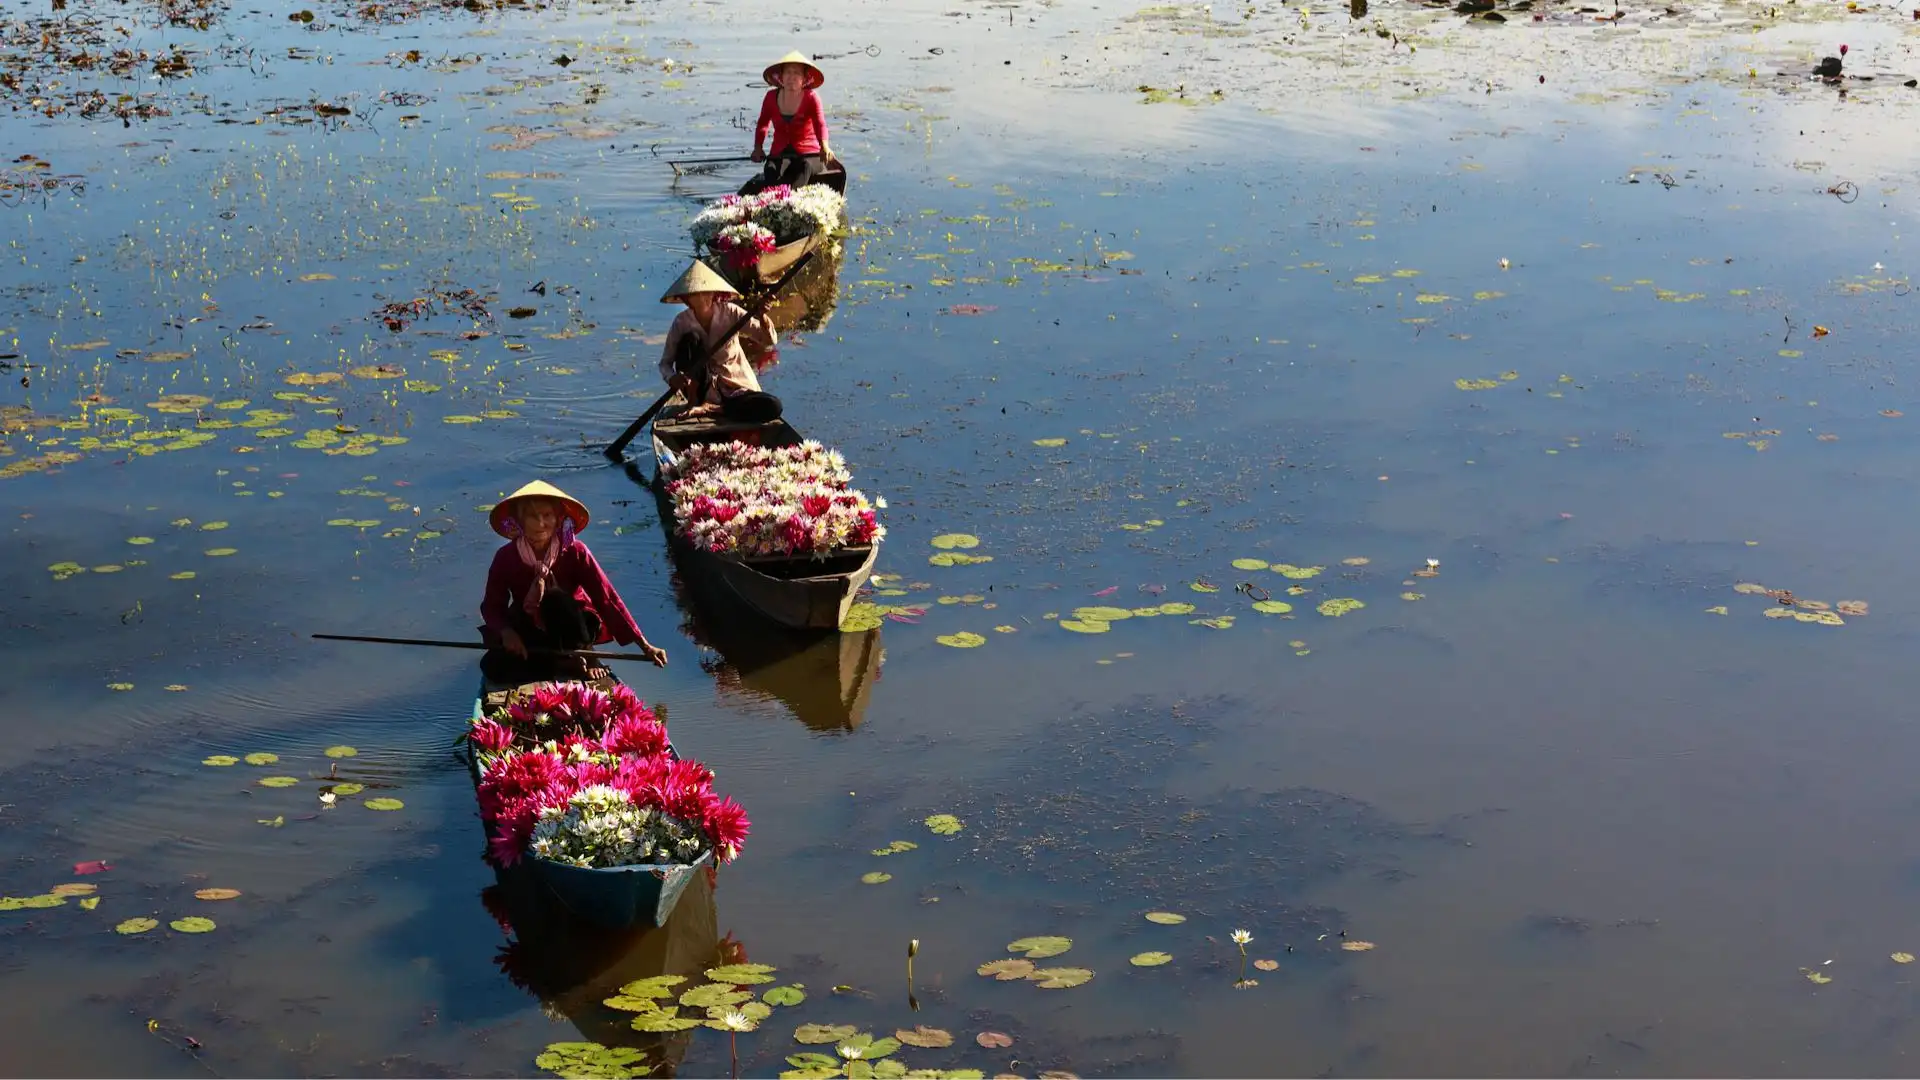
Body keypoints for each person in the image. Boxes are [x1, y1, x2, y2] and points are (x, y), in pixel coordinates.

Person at [479, 480, 667, 684]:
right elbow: (492, 605)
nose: (540, 524)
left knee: (556, 600)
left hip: (574, 627)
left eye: (547, 515)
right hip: (533, 627)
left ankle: (584, 653)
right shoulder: (505, 556)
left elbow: (606, 598)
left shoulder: (576, 551)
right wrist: (506, 632)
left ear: (559, 519)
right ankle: (562, 664)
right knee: (492, 666)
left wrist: (646, 646)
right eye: (532, 516)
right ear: (519, 521)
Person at [657, 260, 783, 424]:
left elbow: (768, 341)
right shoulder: (681, 322)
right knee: (691, 339)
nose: (703, 297)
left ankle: (714, 409)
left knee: (773, 406)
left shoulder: (730, 312)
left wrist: (762, 316)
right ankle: (695, 403)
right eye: (695, 294)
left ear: (714, 294)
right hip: (701, 390)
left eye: (706, 292)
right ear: (687, 300)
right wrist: (672, 378)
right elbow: (665, 364)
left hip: (736, 387)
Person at [748, 51, 834, 193]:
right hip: (780, 152)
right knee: (770, 169)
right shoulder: (770, 97)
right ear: (781, 77)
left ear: (804, 79)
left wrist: (824, 146)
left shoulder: (812, 98)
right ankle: (774, 198)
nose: (791, 77)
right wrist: (758, 148)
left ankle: (789, 199)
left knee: (804, 167)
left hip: (809, 154)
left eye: (796, 73)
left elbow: (820, 123)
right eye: (788, 72)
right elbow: (763, 124)